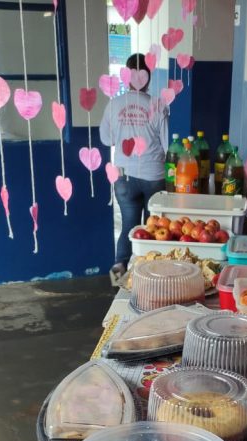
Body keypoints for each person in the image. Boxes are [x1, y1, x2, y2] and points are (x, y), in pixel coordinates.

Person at [100, 54, 168, 286]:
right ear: (148, 77)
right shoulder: (157, 105)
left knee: (129, 225)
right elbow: (168, 145)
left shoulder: (114, 104)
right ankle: (147, 278)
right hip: (154, 176)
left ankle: (117, 277)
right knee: (153, 230)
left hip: (123, 176)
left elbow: (106, 138)